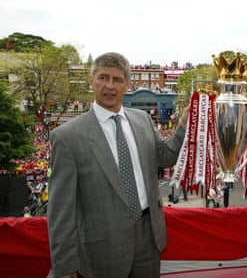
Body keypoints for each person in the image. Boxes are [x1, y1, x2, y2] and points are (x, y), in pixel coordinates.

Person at [47, 52, 189, 278]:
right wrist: (64, 265)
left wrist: (182, 125)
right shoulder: (67, 137)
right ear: (91, 81)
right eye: (103, 78)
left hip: (149, 239)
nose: (110, 86)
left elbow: (165, 157)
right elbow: (60, 210)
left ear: (127, 85)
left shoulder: (142, 119)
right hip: (102, 250)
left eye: (117, 80)